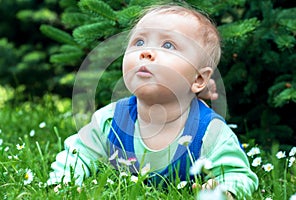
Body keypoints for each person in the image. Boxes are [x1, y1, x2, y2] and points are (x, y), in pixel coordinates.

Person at [47, 4, 258, 199]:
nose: (145, 53)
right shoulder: (111, 120)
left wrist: (224, 190)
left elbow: (238, 174)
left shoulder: (210, 132)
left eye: (168, 45)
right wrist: (65, 181)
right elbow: (78, 153)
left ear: (199, 79)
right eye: (139, 42)